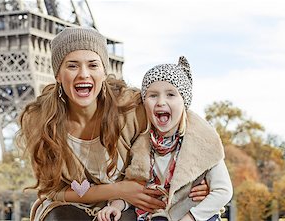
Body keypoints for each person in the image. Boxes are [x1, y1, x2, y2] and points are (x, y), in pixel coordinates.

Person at [16, 27, 210, 221]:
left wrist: (201, 180)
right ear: (58, 74)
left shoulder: (132, 109)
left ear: (104, 72)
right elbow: (51, 191)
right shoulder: (40, 120)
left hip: (129, 207)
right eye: (72, 66)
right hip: (70, 208)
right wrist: (117, 190)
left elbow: (185, 129)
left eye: (93, 65)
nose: (83, 74)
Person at [97, 57, 233, 221]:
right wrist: (115, 206)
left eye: (170, 95)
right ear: (144, 103)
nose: (161, 102)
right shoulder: (142, 146)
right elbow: (135, 190)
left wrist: (191, 217)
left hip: (195, 215)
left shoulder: (204, 143)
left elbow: (223, 191)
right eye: (153, 95)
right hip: (158, 216)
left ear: (184, 102)